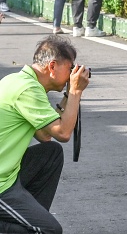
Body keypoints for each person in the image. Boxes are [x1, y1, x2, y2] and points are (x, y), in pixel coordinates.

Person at [0, 35, 91, 234]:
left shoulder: (20, 80)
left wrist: (68, 95)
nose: (71, 75)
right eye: (69, 68)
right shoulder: (27, 89)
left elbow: (44, 135)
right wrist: (75, 91)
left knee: (51, 153)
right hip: (1, 183)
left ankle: (29, 218)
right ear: (52, 66)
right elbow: (63, 132)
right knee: (49, 230)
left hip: (8, 175)